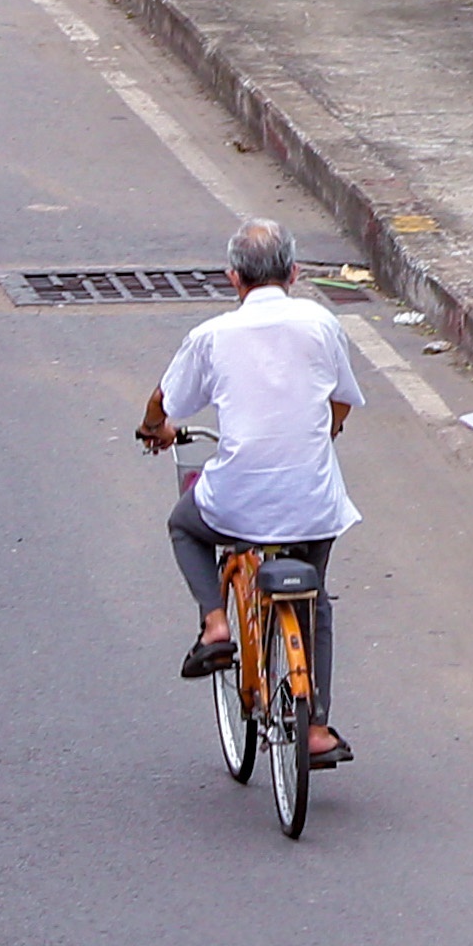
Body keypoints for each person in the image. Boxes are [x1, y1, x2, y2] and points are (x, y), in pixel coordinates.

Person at [134, 220, 362, 771]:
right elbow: (342, 402)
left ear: (233, 278)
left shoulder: (212, 337)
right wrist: (321, 433)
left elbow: (165, 400)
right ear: (295, 273)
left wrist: (155, 429)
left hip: (236, 501)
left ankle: (215, 622)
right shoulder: (321, 322)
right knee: (316, 598)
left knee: (185, 526)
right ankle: (316, 728)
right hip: (312, 503)